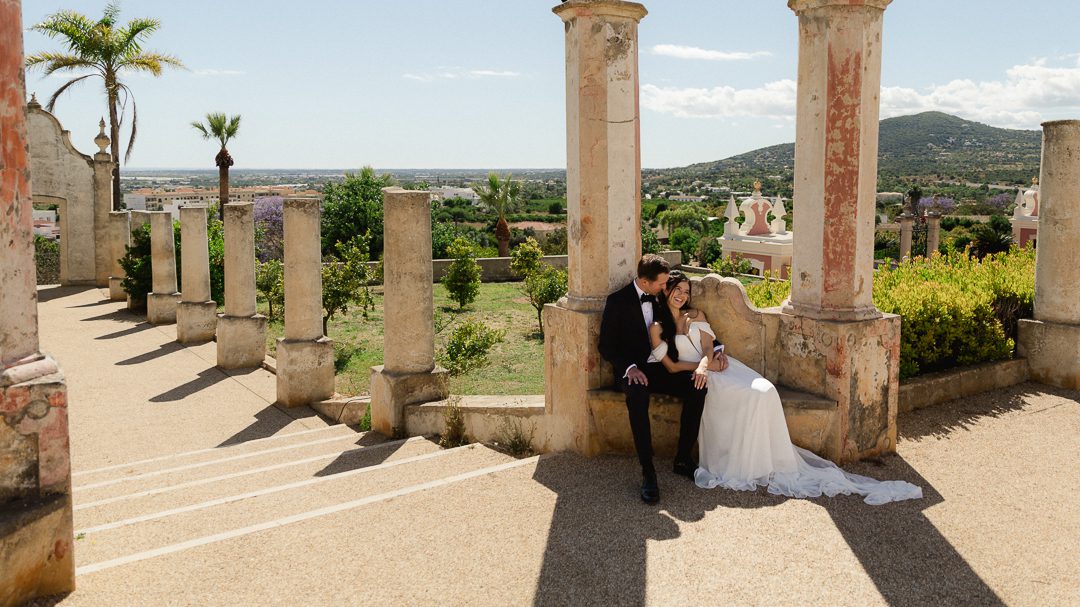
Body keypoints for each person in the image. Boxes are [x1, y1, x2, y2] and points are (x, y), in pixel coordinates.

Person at [648, 271, 923, 505]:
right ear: (666, 291)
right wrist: (700, 369)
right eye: (677, 290)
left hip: (718, 368)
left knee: (764, 391)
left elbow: (708, 347)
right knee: (746, 397)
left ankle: (768, 460)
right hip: (702, 375)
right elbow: (671, 366)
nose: (682, 295)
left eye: (685, 290)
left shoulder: (696, 314)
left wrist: (706, 364)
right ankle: (743, 463)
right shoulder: (659, 326)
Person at [598, 255, 718, 504]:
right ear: (644, 281)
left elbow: (689, 323)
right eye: (662, 284)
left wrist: (718, 349)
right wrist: (629, 368)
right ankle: (648, 471)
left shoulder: (661, 299)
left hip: (663, 368)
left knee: (697, 387)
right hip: (632, 370)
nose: (666, 288)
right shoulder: (617, 302)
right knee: (638, 395)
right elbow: (606, 347)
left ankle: (683, 457)